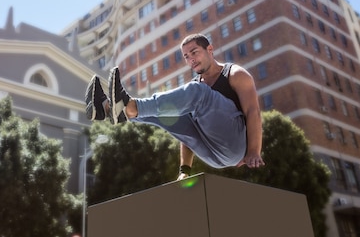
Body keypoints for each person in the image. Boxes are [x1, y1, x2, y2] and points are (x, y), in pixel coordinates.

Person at [85, 33, 265, 180]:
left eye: (195, 53)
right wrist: (184, 170)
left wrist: (254, 151)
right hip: (214, 156)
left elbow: (253, 112)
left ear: (210, 50)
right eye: (187, 57)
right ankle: (109, 108)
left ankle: (131, 106)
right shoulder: (196, 88)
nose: (191, 60)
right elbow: (187, 134)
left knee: (197, 92)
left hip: (235, 145)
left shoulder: (235, 74)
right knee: (172, 112)